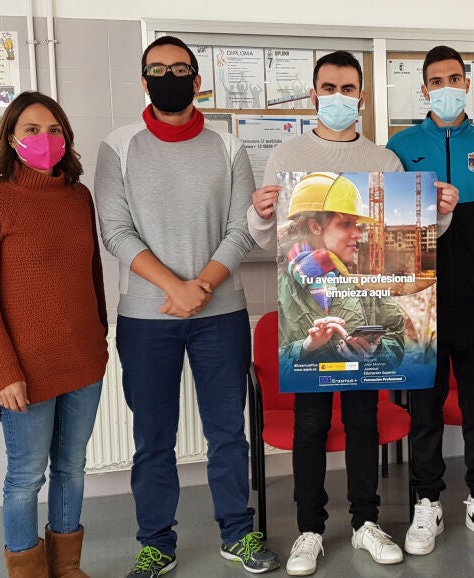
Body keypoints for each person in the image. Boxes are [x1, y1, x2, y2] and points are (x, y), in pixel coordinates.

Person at [247, 50, 456, 576]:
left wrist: (441, 214)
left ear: (361, 96)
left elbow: (417, 241)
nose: (338, 97)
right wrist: (259, 213)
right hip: (308, 340)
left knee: (363, 421)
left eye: (348, 89)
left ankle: (366, 523)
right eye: (328, 87)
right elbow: (268, 241)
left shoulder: (383, 161)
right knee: (310, 426)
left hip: (365, 338)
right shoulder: (286, 156)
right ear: (314, 93)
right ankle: (310, 530)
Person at [94, 35, 278, 577]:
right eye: (157, 69)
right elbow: (115, 231)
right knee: (153, 438)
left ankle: (237, 534)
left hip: (220, 315)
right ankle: (156, 543)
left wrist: (201, 285)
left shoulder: (228, 146)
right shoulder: (119, 146)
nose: (168, 77)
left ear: (197, 81)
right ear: (144, 80)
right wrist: (174, 288)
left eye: (179, 69)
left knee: (228, 433)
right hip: (146, 318)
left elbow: (242, 229)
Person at [0, 91, 109, 578]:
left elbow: (92, 274)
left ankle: (67, 568)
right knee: (26, 477)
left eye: (54, 130)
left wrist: (100, 340)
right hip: (24, 373)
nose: (45, 138)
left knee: (71, 468)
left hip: (84, 363)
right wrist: (2, 372)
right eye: (31, 129)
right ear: (10, 138)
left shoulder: (78, 198)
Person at [385, 45, 474, 556]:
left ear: (467, 83)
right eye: (436, 81)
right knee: (425, 412)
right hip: (418, 305)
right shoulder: (400, 146)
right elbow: (387, 229)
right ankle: (427, 503)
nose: (446, 88)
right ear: (424, 89)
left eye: (454, 78)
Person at [277, 172, 406, 373]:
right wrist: (306, 347)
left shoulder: (367, 278)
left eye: (357, 225)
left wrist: (376, 351)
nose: (357, 233)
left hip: (360, 385)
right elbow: (275, 363)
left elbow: (397, 339)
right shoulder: (282, 283)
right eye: (346, 224)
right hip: (309, 388)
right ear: (316, 227)